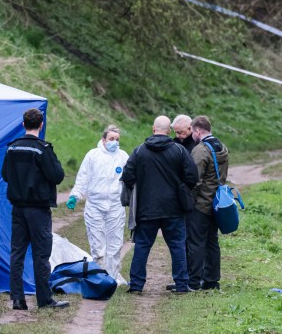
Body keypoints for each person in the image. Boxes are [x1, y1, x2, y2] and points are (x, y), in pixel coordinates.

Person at [120, 115, 198, 294]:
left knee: (142, 246)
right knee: (177, 246)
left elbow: (128, 176)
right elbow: (192, 176)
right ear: (169, 130)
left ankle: (136, 285)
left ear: (153, 129)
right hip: (174, 208)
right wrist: (180, 187)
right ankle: (181, 285)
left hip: (146, 208)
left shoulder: (139, 151)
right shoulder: (179, 150)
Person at [1, 108, 69, 310]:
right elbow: (57, 176)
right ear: (41, 125)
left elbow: (5, 175)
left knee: (17, 253)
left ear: (23, 124)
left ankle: (17, 299)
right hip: (38, 208)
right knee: (40, 254)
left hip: (17, 208)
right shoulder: (43, 149)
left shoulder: (11, 149)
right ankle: (44, 300)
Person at [66, 125, 129, 283]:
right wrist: (75, 195)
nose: (114, 142)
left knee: (115, 245)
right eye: (111, 139)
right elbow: (83, 178)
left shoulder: (123, 156)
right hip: (95, 205)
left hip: (116, 205)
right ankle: (100, 278)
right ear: (103, 140)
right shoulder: (93, 156)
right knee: (98, 245)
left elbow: (130, 180)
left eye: (117, 139)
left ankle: (112, 278)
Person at [187, 115, 229, 291]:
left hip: (201, 204)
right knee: (212, 242)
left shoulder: (200, 150)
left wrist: (188, 200)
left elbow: (194, 179)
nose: (191, 135)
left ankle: (194, 282)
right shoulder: (222, 147)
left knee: (195, 242)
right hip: (217, 204)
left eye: (192, 131)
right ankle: (212, 281)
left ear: (197, 130)